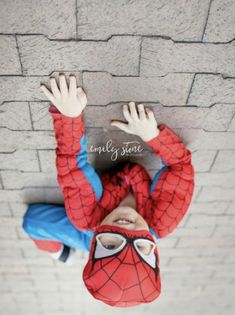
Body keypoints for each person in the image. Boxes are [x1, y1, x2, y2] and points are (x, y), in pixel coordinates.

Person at [22, 73, 195, 307]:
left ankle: (62, 254)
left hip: (91, 226)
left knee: (31, 223)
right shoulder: (161, 220)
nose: (126, 228)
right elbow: (180, 167)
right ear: (153, 251)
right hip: (104, 225)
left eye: (111, 245)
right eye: (141, 246)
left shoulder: (85, 216)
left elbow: (72, 165)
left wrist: (70, 116)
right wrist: (153, 135)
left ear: (95, 246)